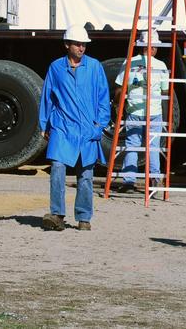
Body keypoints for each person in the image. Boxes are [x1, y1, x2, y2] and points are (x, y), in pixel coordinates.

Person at [38, 23, 111, 231]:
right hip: (62, 126)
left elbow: (103, 99)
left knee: (86, 175)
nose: (82, 48)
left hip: (87, 129)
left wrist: (98, 126)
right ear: (67, 45)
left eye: (84, 44)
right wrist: (44, 124)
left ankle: (84, 217)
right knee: (57, 169)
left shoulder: (95, 67)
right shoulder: (56, 68)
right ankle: (57, 214)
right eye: (78, 44)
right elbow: (47, 98)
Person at [113, 30, 170, 193]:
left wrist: (118, 104)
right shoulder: (161, 66)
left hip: (134, 110)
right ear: (153, 48)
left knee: (132, 144)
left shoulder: (129, 63)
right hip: (154, 110)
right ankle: (154, 179)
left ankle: (129, 180)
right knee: (153, 146)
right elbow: (165, 91)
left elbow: (120, 88)